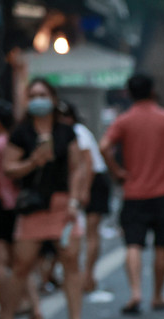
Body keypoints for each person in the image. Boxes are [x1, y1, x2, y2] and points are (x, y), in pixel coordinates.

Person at [0, 78, 95, 319]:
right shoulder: (21, 133)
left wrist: (75, 200)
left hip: (63, 207)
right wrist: (32, 162)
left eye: (43, 94)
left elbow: (78, 167)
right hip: (34, 208)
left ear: (52, 98)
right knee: (21, 266)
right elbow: (9, 168)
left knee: (71, 263)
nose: (38, 99)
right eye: (33, 95)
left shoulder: (66, 132)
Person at [100, 74, 164, 315]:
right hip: (163, 190)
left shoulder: (124, 121)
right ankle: (157, 295)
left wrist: (118, 172)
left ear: (129, 93)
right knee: (161, 245)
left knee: (133, 244)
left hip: (133, 192)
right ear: (153, 91)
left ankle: (135, 293)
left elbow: (104, 146)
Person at [0, 99, 41, 319]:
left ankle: (5, 313)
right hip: (19, 207)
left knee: (0, 263)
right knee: (21, 263)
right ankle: (35, 308)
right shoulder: (18, 141)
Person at [60, 101, 111, 293]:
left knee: (90, 231)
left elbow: (87, 164)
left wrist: (85, 191)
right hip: (84, 183)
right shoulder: (65, 133)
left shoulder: (78, 133)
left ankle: (88, 276)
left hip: (94, 182)